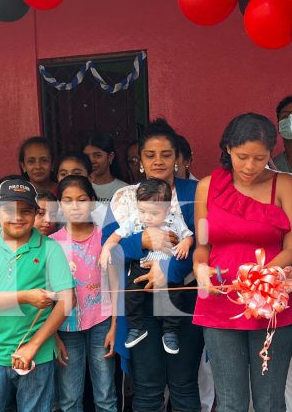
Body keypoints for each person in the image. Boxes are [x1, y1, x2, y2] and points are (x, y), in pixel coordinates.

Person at [193, 113, 292, 412]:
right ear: (228, 148)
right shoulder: (207, 187)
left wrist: (260, 278)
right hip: (219, 300)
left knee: (269, 401)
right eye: (242, 157)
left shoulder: (285, 185)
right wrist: (199, 269)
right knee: (230, 402)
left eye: (260, 158)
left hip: (269, 300)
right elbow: (202, 245)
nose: (251, 166)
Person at [102, 119, 203, 412]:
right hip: (139, 306)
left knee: (184, 386)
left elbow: (206, 242)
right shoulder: (124, 197)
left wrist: (168, 271)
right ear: (140, 161)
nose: (158, 161)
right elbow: (110, 250)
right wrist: (143, 241)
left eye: (166, 154)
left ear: (177, 159)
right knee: (147, 390)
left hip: (183, 300)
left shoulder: (195, 193)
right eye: (150, 155)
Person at [0, 179, 74, 411]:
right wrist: (24, 296)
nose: (18, 217)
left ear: (36, 214)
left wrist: (33, 346)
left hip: (39, 353)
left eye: (26, 211)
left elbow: (67, 301)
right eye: (9, 210)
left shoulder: (50, 248)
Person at [102, 178, 193, 353]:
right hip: (141, 265)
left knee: (174, 297)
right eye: (143, 211)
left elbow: (189, 236)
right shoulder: (135, 219)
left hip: (167, 267)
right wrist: (106, 248)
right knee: (131, 295)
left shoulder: (175, 220)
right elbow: (117, 235)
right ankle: (136, 328)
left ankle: (170, 331)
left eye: (153, 213)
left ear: (167, 209)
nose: (147, 217)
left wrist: (185, 244)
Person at [50, 175, 117, 412]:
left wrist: (115, 326)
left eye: (81, 199)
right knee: (69, 398)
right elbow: (49, 295)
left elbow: (116, 284)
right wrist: (54, 337)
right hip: (65, 327)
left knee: (105, 395)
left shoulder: (106, 238)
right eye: (67, 200)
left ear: (93, 202)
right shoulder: (52, 244)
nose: (75, 206)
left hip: (102, 322)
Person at [83, 132, 128, 202]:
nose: (91, 160)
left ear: (110, 157)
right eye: (86, 156)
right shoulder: (79, 187)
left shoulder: (124, 190)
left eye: (98, 155)